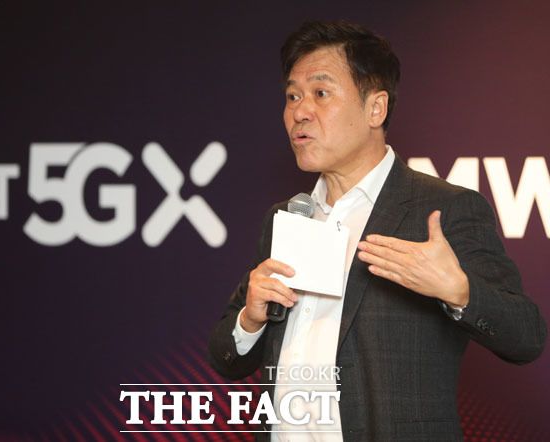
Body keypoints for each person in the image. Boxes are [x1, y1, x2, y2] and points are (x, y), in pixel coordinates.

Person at [208, 20, 547, 441]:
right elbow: (226, 357)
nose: (299, 112)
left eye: (320, 93)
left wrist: (459, 291)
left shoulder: (441, 209)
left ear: (376, 108)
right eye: (292, 96)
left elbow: (527, 337)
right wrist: (250, 319)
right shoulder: (287, 218)